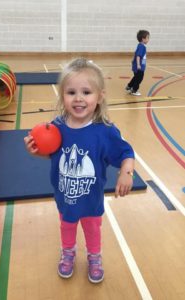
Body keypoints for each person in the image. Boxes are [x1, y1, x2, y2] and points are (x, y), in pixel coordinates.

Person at [24, 58, 135, 284]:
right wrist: (37, 151)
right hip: (65, 195)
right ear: (62, 95)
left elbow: (126, 153)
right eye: (71, 92)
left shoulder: (104, 131)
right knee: (67, 225)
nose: (78, 98)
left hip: (91, 198)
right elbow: (52, 153)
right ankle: (68, 252)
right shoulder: (57, 127)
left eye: (86, 92)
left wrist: (126, 172)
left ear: (100, 96)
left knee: (92, 228)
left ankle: (94, 256)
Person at [125, 30, 150, 96]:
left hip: (138, 65)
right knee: (139, 78)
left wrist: (133, 60)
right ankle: (134, 90)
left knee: (136, 77)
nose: (148, 39)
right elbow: (138, 56)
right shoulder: (142, 47)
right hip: (139, 67)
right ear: (143, 39)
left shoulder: (140, 45)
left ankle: (129, 86)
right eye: (147, 38)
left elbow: (136, 54)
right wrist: (138, 64)